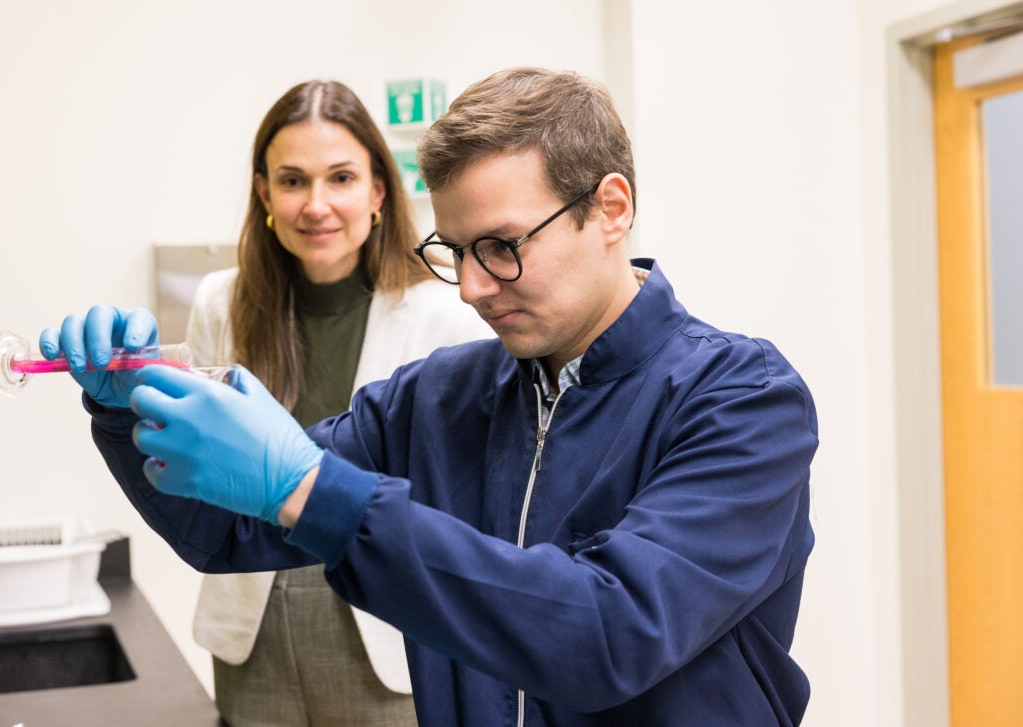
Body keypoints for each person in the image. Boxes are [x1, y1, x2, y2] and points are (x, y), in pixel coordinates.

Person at [42, 67, 818, 726]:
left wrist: (314, 489)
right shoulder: (440, 398)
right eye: (454, 251)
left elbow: (609, 632)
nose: (475, 287)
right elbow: (222, 531)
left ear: (611, 208)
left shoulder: (743, 401)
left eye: (503, 247)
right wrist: (128, 406)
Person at [135, 80, 490, 726]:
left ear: (379, 190)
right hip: (254, 619)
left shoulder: (451, 317)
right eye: (293, 180)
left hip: (386, 620)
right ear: (264, 192)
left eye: (342, 178)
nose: (317, 205)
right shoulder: (221, 300)